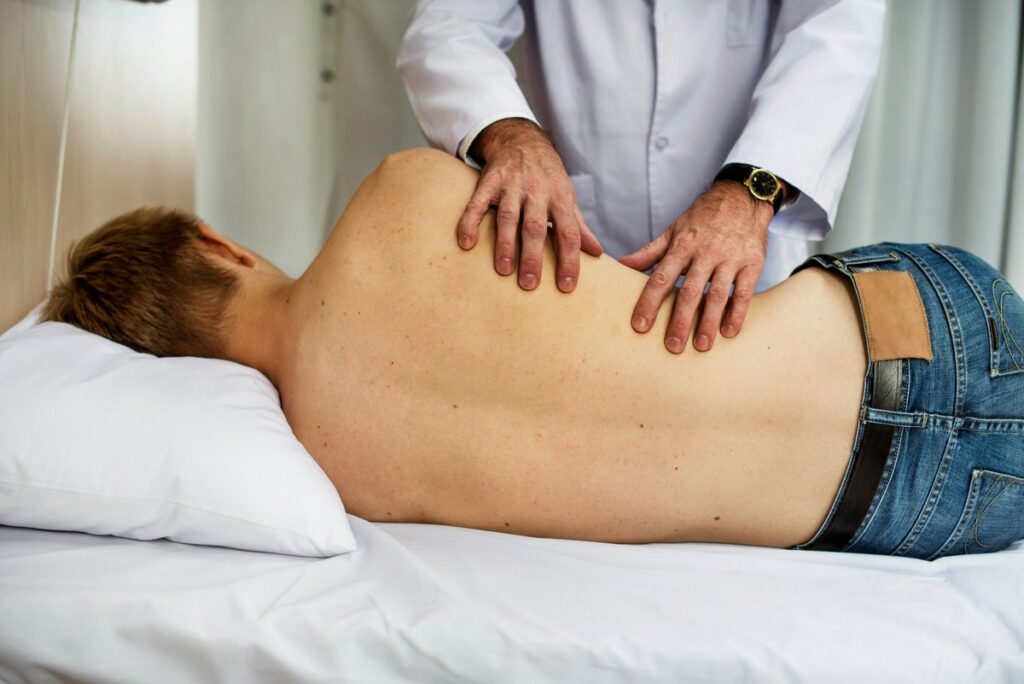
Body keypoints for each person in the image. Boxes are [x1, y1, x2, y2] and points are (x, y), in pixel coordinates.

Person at [45, 149, 1024, 560]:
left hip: (920, 510)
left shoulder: (336, 478)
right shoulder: (399, 193)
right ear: (221, 246)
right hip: (923, 320)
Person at [398, 0, 885, 354]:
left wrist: (752, 190)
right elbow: (450, 24)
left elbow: (838, 28)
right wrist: (510, 134)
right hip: (569, 249)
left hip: (747, 253)